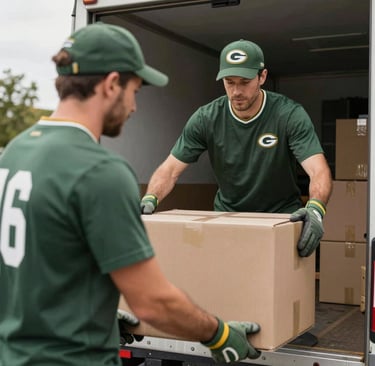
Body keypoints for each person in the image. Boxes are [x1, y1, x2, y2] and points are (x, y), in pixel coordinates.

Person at [0, 24, 261, 366]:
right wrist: (220, 334)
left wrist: (102, 313)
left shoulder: (16, 152)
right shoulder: (99, 170)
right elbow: (153, 302)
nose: (135, 106)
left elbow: (46, 258)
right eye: (134, 91)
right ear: (111, 85)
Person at [141, 39, 332, 258]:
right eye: (229, 82)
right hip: (229, 219)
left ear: (262, 77)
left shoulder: (288, 115)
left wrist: (316, 209)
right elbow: (170, 169)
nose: (236, 91)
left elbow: (319, 170)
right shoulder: (206, 118)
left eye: (244, 81)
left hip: (281, 219)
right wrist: (149, 199)